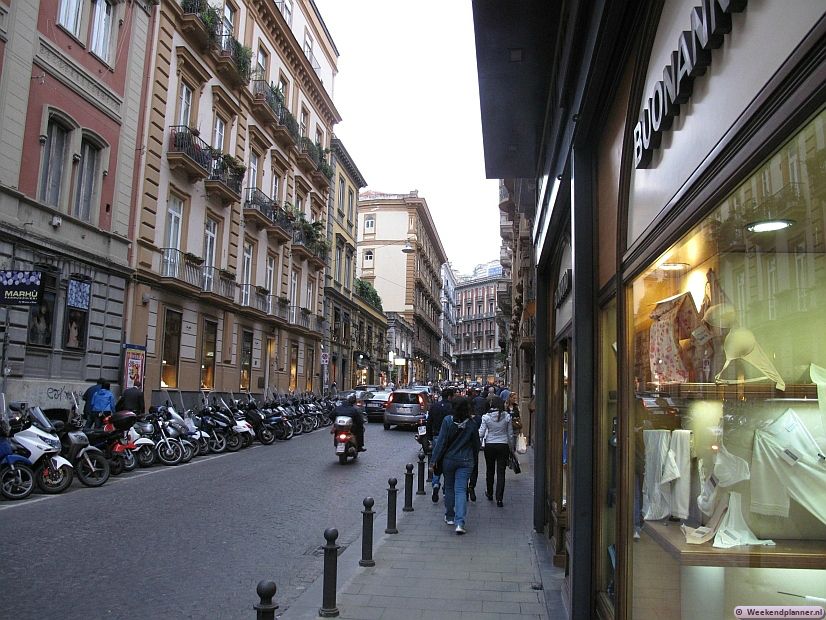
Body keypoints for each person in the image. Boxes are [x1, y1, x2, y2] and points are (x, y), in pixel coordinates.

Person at [430, 397, 481, 535]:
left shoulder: (447, 421)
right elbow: (477, 444)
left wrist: (433, 460)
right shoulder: (472, 423)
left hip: (449, 460)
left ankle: (450, 516)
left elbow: (441, 442)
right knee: (461, 490)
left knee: (449, 488)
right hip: (466, 460)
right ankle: (460, 523)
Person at [478, 396, 514, 506]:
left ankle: (489, 492)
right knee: (501, 472)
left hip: (490, 445)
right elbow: (510, 434)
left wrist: (479, 442)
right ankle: (499, 498)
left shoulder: (486, 417)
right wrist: (511, 448)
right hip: (503, 445)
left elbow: (481, 433)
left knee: (490, 470)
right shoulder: (507, 416)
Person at [426, 387, 454, 503]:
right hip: (450, 439)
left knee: (437, 461)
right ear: (450, 396)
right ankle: (445, 489)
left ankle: (435, 483)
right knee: (448, 464)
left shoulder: (434, 406)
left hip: (436, 437)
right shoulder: (452, 408)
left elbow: (429, 422)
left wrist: (428, 438)